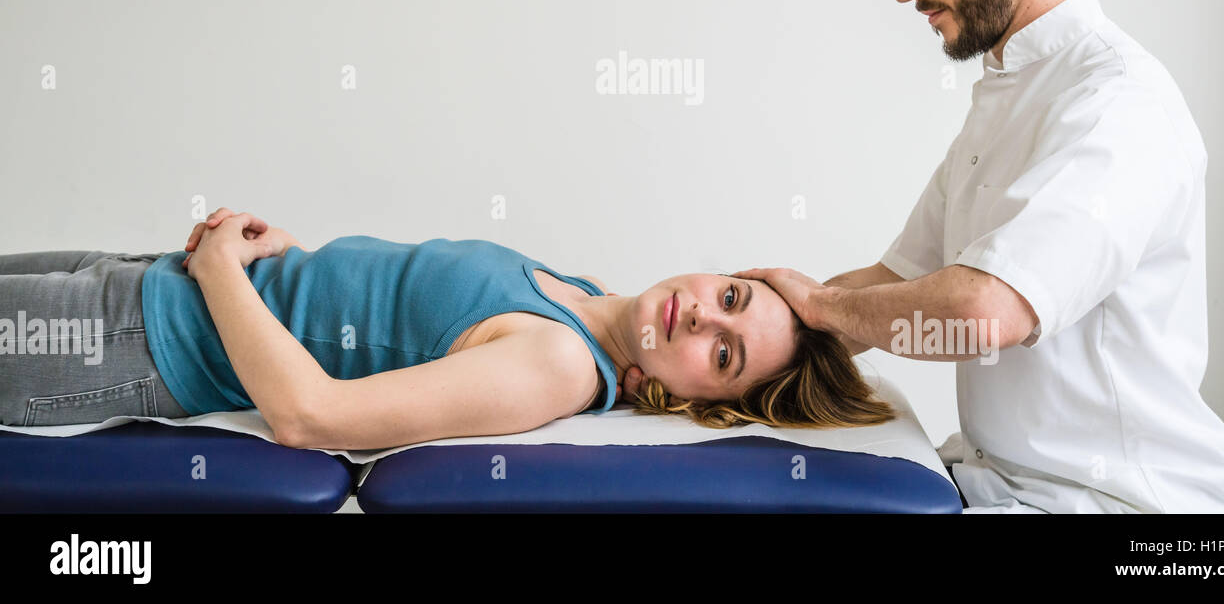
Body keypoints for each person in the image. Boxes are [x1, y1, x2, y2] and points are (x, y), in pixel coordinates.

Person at [625, 0, 1224, 514]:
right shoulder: (1009, 90)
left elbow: (986, 312)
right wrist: (705, 351)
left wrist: (823, 307)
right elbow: (893, 279)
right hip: (1001, 484)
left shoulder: (1119, 105)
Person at [0, 207, 895, 449]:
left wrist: (222, 272)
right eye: (732, 297)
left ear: (705, 399)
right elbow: (381, 314)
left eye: (724, 355)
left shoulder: (559, 362)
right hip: (140, 277)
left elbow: (312, 416)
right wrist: (290, 254)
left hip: (136, 341)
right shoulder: (577, 292)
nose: (702, 315)